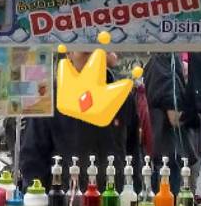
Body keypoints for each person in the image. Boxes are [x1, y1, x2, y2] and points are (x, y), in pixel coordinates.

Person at [20, 51, 139, 190]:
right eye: (86, 52)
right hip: (67, 197)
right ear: (69, 53)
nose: (94, 59)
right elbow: (33, 157)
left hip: (114, 196)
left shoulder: (123, 97)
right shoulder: (49, 97)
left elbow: (133, 152)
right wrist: (36, 197)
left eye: (99, 51)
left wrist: (135, 193)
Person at [144, 53, 201, 195]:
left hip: (162, 151)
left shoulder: (158, 63)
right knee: (173, 202)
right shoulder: (166, 61)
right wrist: (197, 105)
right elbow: (174, 117)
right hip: (171, 155)